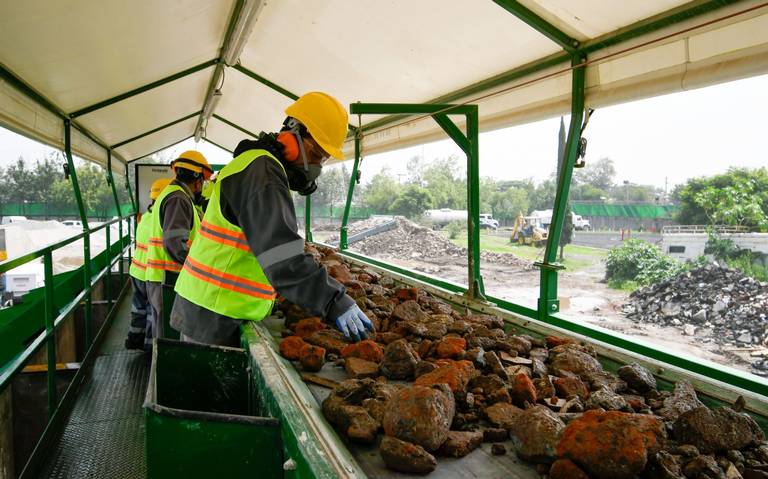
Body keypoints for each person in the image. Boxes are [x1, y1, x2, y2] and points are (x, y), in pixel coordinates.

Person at [171, 92, 374, 347]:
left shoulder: (257, 165)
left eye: (323, 160)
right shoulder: (263, 173)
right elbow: (280, 255)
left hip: (210, 307)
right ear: (294, 134)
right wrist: (334, 301)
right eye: (316, 155)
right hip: (214, 313)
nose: (316, 167)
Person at [145, 151, 212, 340]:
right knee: (169, 340)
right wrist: (202, 269)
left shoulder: (173, 195)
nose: (202, 188)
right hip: (168, 279)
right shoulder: (178, 199)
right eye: (203, 182)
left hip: (163, 278)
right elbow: (175, 245)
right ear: (197, 178)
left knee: (163, 337)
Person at [125, 178, 170, 350]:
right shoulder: (161, 221)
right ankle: (151, 347)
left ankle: (134, 338)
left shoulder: (144, 218)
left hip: (136, 271)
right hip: (150, 274)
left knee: (138, 308)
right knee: (153, 310)